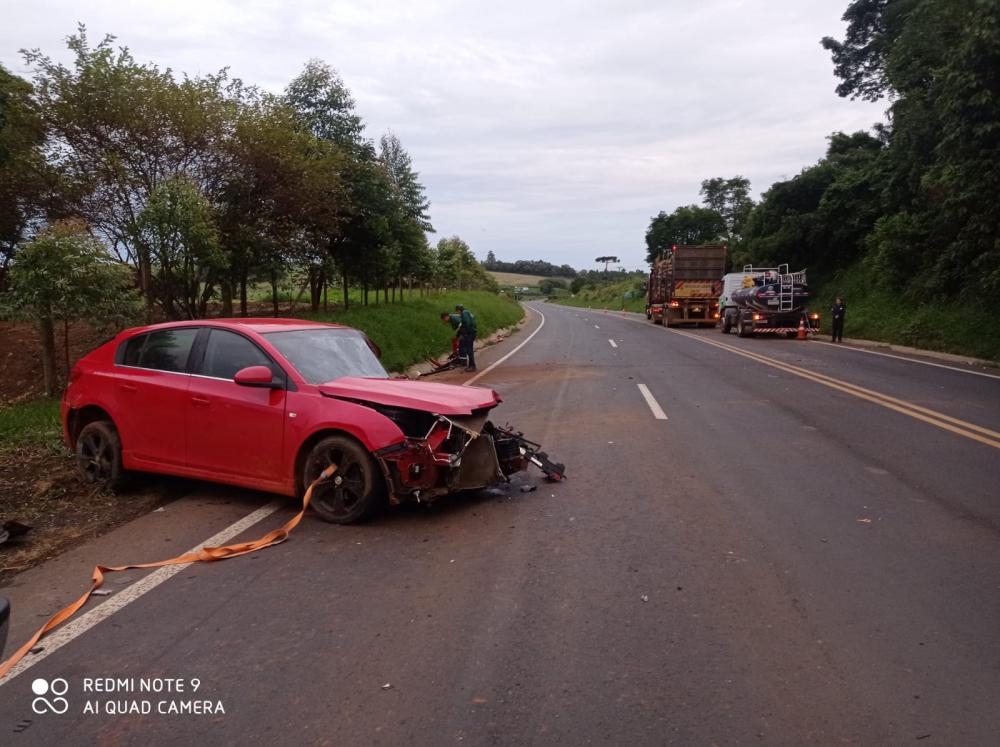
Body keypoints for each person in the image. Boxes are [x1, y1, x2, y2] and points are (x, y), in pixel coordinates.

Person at [455, 304, 477, 371]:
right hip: (472, 332)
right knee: (468, 349)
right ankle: (471, 365)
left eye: (457, 311)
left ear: (458, 310)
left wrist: (463, 333)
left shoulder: (464, 314)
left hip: (469, 333)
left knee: (469, 350)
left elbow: (467, 324)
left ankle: (472, 365)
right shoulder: (467, 312)